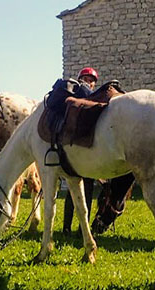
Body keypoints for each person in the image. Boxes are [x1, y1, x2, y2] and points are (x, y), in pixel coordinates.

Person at [62, 67, 98, 234]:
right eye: (86, 79)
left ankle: (80, 228)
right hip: (76, 149)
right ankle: (67, 227)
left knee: (87, 191)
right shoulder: (80, 93)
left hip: (86, 149)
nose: (89, 82)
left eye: (91, 80)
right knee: (74, 189)